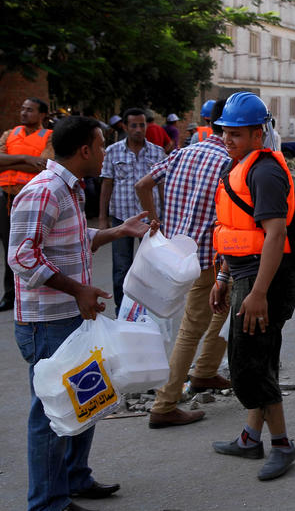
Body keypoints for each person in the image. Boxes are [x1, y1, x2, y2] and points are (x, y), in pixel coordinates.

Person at [11, 115, 155, 511]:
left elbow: (74, 240)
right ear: (85, 150)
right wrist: (77, 290)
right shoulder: (44, 191)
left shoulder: (69, 188)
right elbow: (22, 257)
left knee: (85, 398)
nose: (106, 152)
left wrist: (118, 231)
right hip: (47, 322)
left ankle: (75, 478)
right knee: (51, 412)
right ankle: (46, 503)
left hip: (71, 317)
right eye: (102, 145)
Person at [208, 92, 295, 481]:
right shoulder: (242, 168)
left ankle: (282, 445)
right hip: (247, 276)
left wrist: (258, 293)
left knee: (249, 364)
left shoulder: (264, 172)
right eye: (226, 132)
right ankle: (250, 437)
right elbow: (240, 232)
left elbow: (275, 235)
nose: (229, 139)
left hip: (266, 281)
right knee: (258, 357)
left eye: (239, 133)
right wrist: (223, 277)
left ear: (259, 134)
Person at [135, 98, 233, 429]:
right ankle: (165, 403)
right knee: (192, 327)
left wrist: (155, 221)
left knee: (221, 308)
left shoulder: (185, 151)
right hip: (208, 259)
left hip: (177, 252)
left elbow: (143, 184)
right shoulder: (228, 162)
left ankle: (205, 372)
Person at [99, 108, 167, 313]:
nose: (138, 129)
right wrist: (102, 218)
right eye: (134, 126)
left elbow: (162, 186)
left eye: (142, 125)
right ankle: (122, 309)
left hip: (150, 220)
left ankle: (148, 310)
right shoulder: (113, 151)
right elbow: (107, 184)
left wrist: (166, 217)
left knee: (151, 266)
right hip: (121, 217)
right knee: (121, 266)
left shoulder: (157, 152)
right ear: (126, 127)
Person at [0, 98, 53, 313]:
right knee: (9, 248)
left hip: (33, 200)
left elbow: (44, 165)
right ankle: (10, 294)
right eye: (22, 109)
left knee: (35, 248)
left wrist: (10, 160)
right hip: (7, 197)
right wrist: (26, 159)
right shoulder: (9, 134)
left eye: (29, 110)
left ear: (42, 115)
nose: (24, 113)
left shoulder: (49, 137)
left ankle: (37, 291)